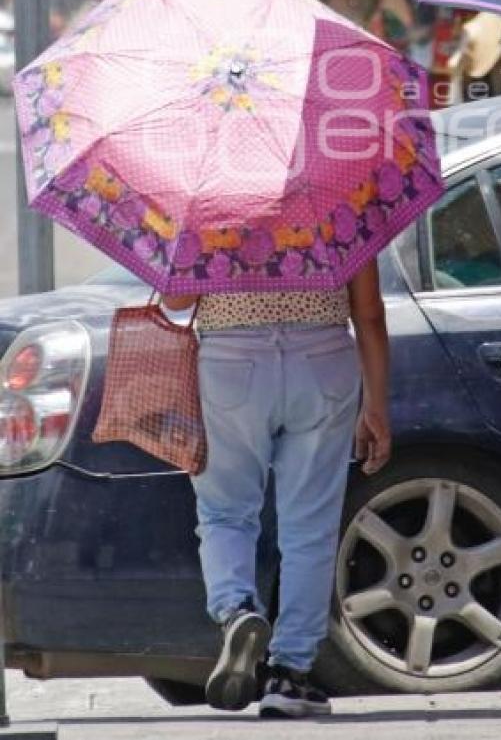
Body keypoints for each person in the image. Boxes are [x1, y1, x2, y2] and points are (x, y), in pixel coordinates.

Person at [163, 258, 390, 719]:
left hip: (231, 360)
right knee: (310, 527)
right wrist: (378, 407)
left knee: (225, 512)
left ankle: (236, 608)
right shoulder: (341, 194)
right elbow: (368, 312)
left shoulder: (213, 199)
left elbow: (176, 299)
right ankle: (290, 673)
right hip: (323, 359)